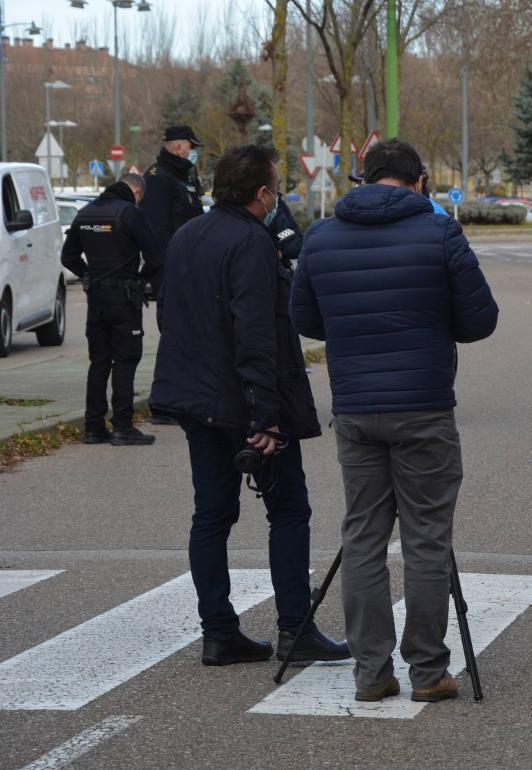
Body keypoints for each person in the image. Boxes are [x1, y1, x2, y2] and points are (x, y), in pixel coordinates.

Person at [290, 139, 498, 703]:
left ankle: (371, 672)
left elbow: (305, 317)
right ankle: (428, 672)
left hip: (356, 407)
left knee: (362, 536)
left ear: (363, 178)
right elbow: (480, 320)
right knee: (427, 540)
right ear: (420, 181)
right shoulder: (440, 233)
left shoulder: (321, 236)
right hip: (425, 405)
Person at [150, 145, 349, 667]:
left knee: (211, 516)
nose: (277, 196)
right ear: (262, 195)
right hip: (245, 404)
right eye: (276, 188)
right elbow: (258, 334)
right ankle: (294, 628)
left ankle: (218, 632)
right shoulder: (253, 243)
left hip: (196, 400)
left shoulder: (187, 235)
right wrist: (267, 416)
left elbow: (169, 315)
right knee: (288, 510)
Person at [60, 173, 163, 446]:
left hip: (96, 299)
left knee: (100, 360)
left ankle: (93, 426)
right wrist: (141, 280)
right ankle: (122, 425)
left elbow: (67, 256)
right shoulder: (129, 213)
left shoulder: (85, 213)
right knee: (126, 359)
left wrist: (87, 275)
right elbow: (156, 255)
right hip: (124, 298)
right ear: (137, 191)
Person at [144, 125, 208, 425]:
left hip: (190, 266)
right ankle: (163, 404)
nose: (193, 151)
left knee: (188, 332)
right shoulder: (159, 178)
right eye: (191, 146)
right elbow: (155, 229)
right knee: (173, 332)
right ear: (179, 146)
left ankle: (182, 397)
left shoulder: (185, 177)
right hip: (172, 268)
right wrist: (166, 267)